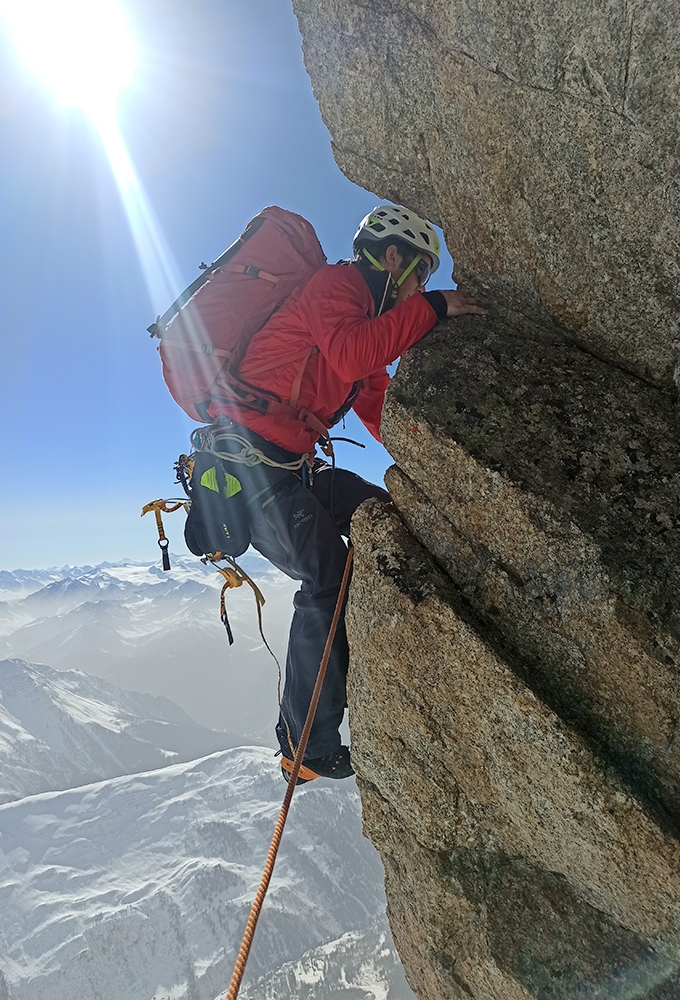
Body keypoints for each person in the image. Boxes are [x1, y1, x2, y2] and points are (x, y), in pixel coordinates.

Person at [205, 204, 485, 783]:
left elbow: (372, 398)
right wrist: (432, 310)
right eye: (419, 276)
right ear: (392, 258)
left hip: (288, 471)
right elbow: (356, 355)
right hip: (252, 476)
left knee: (380, 515)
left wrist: (432, 465)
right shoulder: (334, 286)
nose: (420, 289)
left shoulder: (359, 313)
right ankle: (304, 739)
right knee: (327, 577)